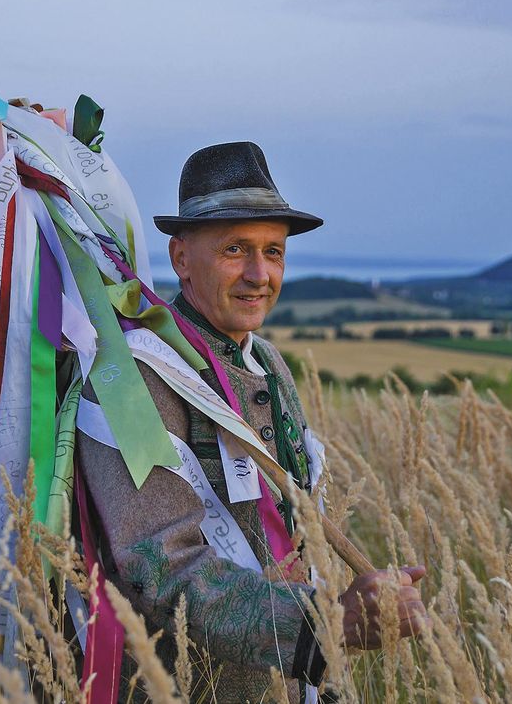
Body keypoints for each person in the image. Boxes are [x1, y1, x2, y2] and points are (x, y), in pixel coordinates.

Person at [73, 141, 428, 702]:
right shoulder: (135, 381)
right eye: (235, 249)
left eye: (275, 252)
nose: (259, 274)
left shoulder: (267, 362)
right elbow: (161, 566)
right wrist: (322, 627)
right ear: (181, 258)